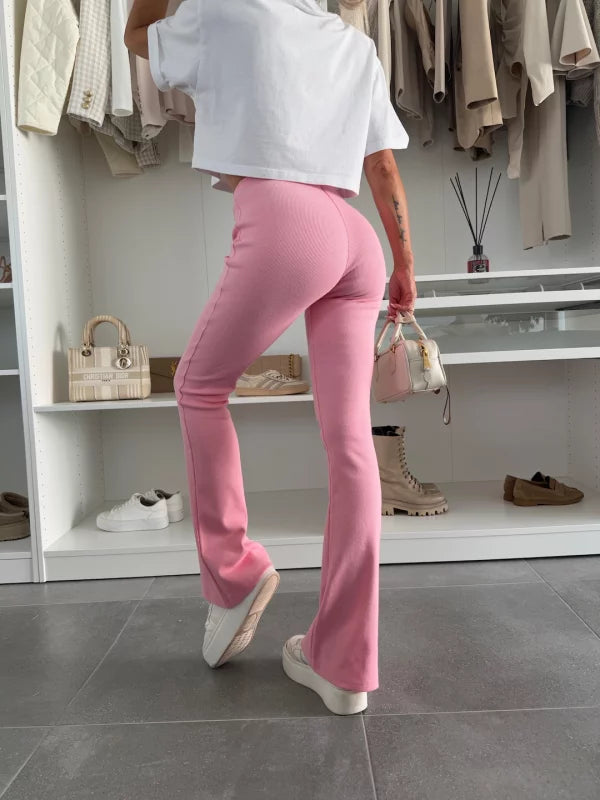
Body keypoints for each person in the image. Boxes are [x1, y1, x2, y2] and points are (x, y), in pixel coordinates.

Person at [125, 0, 415, 716]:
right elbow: (381, 163)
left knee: (197, 386)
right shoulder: (355, 44)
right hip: (357, 240)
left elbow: (137, 37)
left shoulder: (225, 10)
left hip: (285, 216)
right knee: (351, 443)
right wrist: (404, 265)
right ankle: (344, 666)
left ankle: (234, 574)